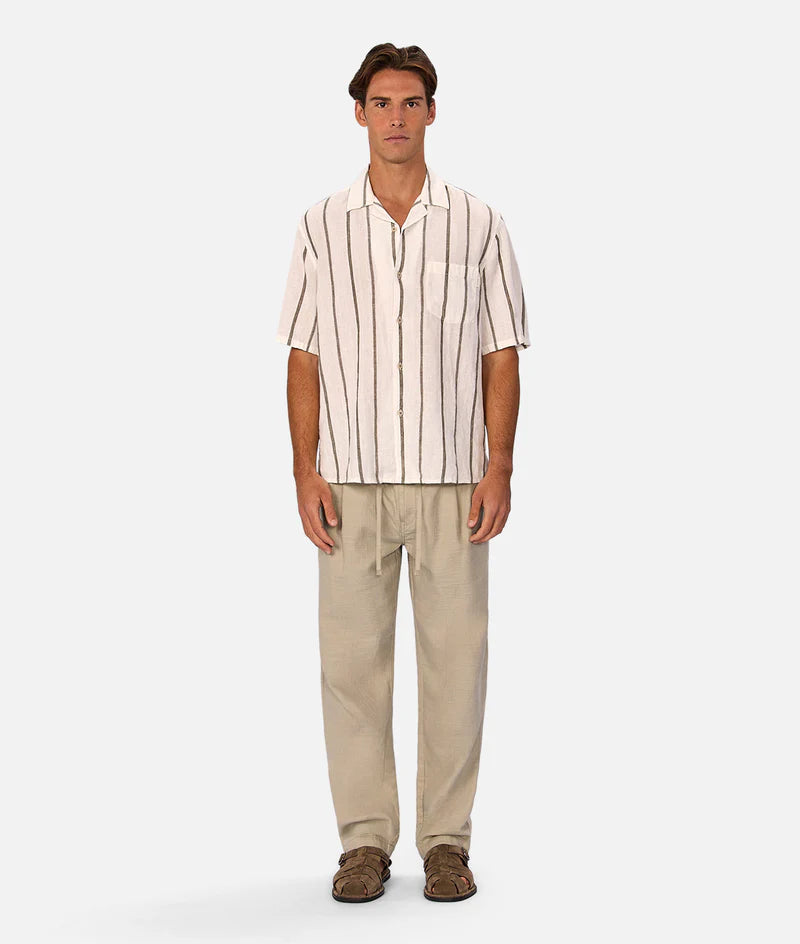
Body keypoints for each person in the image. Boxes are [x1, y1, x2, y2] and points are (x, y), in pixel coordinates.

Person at [276, 42, 530, 902]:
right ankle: (364, 843)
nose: (396, 117)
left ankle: (447, 842)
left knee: (457, 663)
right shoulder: (321, 225)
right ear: (359, 113)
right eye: (381, 102)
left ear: (431, 112)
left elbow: (501, 351)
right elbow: (303, 354)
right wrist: (304, 470)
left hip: (453, 477)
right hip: (349, 479)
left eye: (410, 102)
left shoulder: (478, 223)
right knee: (351, 667)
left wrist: (500, 465)